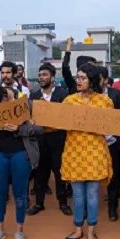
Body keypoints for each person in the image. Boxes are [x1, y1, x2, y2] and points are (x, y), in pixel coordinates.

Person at [0, 86, 44, 239]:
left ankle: (19, 231)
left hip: (20, 153)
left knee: (20, 193)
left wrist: (20, 128)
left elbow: (40, 128)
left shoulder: (26, 104)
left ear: (6, 96)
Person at [61, 64, 113, 239]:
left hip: (96, 153)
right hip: (74, 152)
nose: (78, 80)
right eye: (78, 77)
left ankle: (91, 231)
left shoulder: (104, 102)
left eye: (83, 77)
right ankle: (78, 229)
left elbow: (112, 126)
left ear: (91, 80)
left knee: (92, 195)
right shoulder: (68, 101)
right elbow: (58, 123)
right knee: (77, 195)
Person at [27, 64, 72, 216]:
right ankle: (39, 203)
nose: (41, 78)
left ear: (52, 77)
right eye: (40, 75)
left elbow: (66, 116)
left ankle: (63, 203)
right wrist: (30, 121)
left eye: (44, 75)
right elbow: (29, 115)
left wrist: (50, 109)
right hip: (39, 140)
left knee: (60, 173)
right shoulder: (33, 95)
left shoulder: (63, 94)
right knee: (40, 173)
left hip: (58, 139)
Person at [96, 66, 120, 222]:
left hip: (113, 142)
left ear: (106, 80)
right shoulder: (89, 96)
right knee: (93, 175)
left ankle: (112, 208)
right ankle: (90, 208)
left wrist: (118, 138)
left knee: (114, 177)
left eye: (98, 79)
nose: (95, 82)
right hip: (93, 143)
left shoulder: (116, 94)